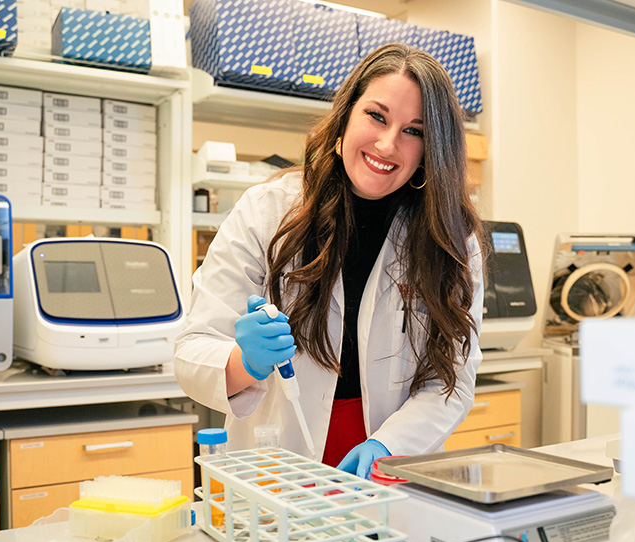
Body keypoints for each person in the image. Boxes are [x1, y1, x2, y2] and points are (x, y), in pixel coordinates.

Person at [174, 43, 485, 478]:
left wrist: (386, 444)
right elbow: (191, 352)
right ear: (346, 115)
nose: (387, 143)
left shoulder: (450, 239)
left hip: (390, 464)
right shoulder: (269, 210)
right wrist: (243, 362)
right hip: (276, 466)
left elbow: (452, 380)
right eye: (376, 116)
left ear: (431, 149)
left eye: (414, 131)